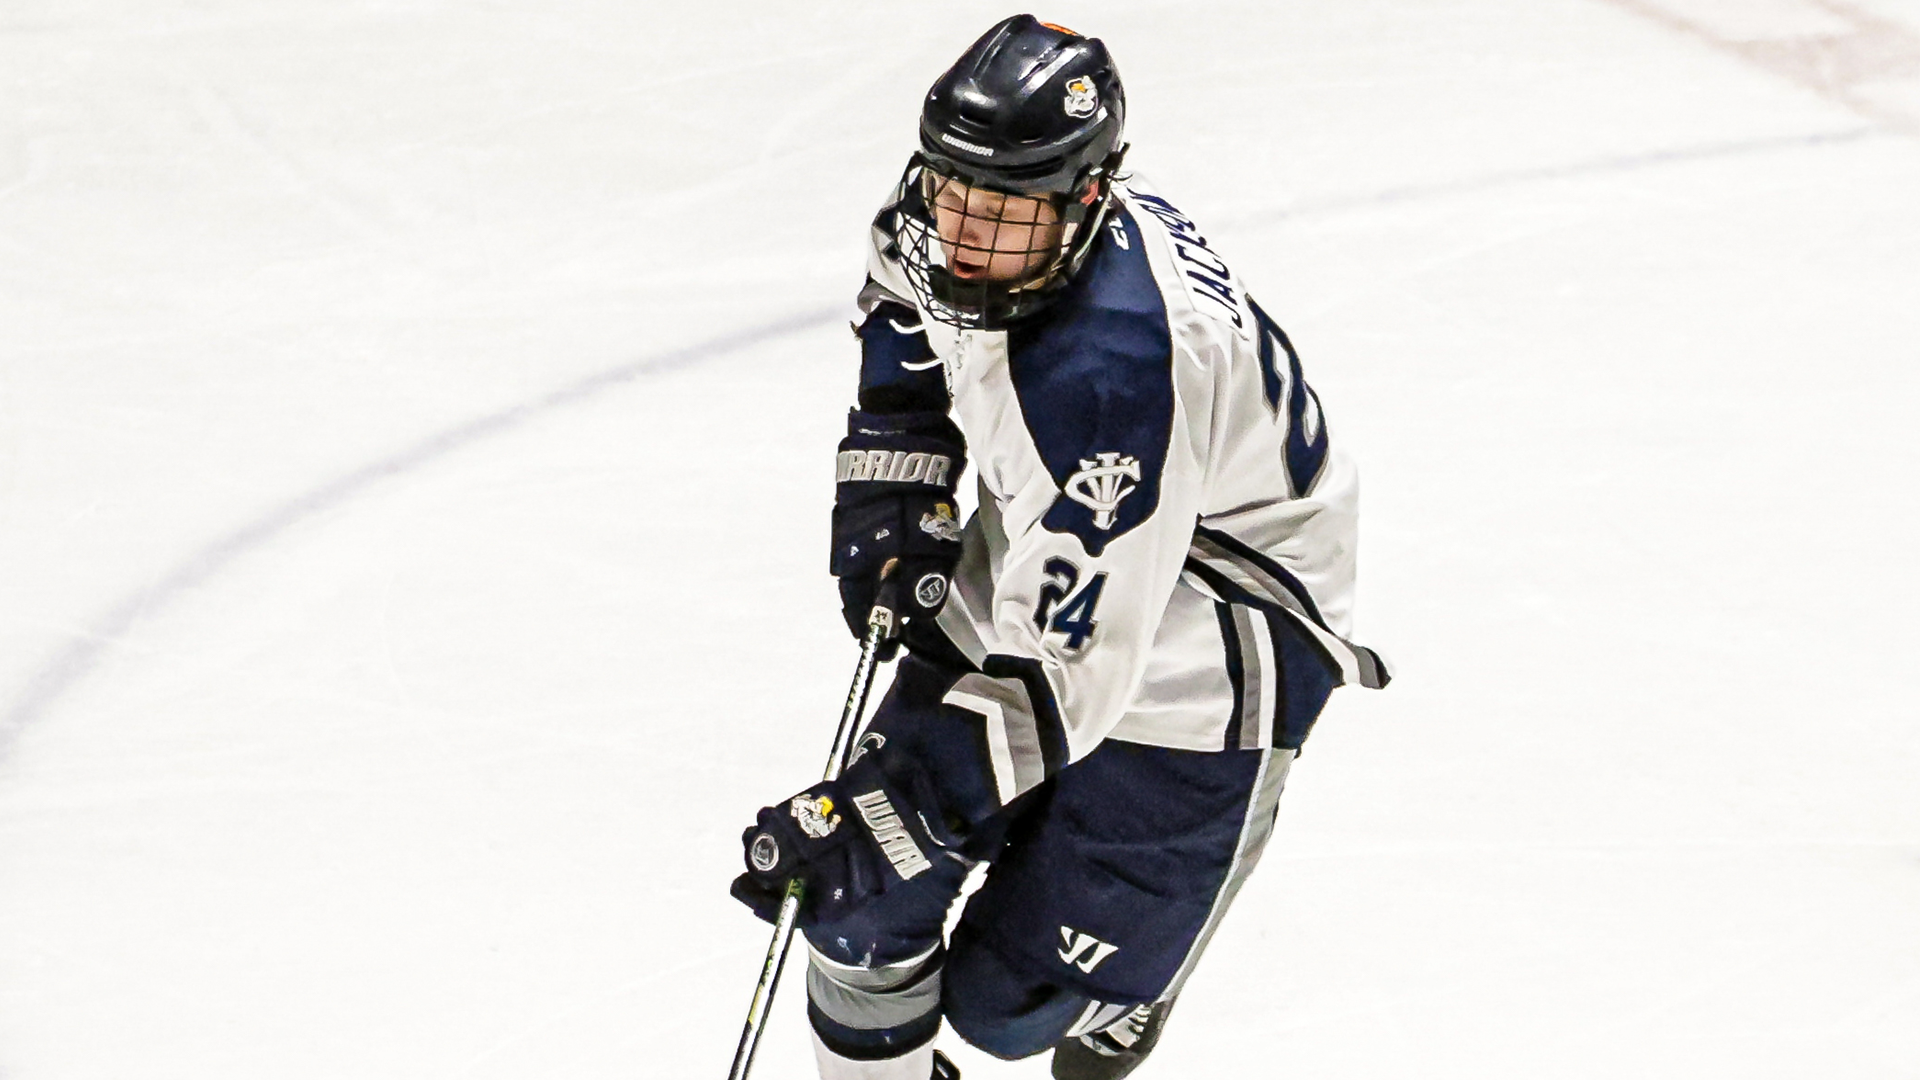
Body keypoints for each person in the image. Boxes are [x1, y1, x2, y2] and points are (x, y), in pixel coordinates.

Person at [731, 15, 1389, 1080]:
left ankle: (1127, 988)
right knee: (865, 909)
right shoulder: (944, 217)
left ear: (1086, 201)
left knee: (1013, 1007)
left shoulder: (1115, 377)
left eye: (1005, 213)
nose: (967, 237)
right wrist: (893, 486)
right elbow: (904, 319)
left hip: (1220, 637)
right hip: (1063, 551)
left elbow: (1067, 681)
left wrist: (888, 813)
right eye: (954, 195)